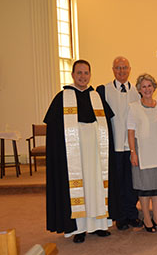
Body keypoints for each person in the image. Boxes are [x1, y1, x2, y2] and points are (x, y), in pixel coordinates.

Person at [45, 60, 113, 243]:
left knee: (96, 185)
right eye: (79, 73)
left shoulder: (97, 97)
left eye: (86, 73)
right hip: (74, 155)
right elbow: (54, 130)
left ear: (90, 75)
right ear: (73, 75)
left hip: (96, 154)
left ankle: (99, 225)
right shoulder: (62, 97)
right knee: (80, 187)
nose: (83, 76)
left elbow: (108, 126)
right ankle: (79, 228)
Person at [96, 56, 142, 230]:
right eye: (118, 68)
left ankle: (132, 214)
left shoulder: (137, 92)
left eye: (124, 67)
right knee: (118, 182)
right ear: (113, 70)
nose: (121, 71)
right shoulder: (103, 91)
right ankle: (120, 216)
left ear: (130, 69)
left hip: (132, 146)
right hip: (113, 146)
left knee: (132, 182)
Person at [127, 74, 157, 233]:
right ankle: (147, 218)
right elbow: (130, 131)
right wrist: (133, 152)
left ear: (154, 87)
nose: (147, 89)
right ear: (139, 89)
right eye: (143, 86)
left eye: (149, 86)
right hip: (142, 151)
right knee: (145, 187)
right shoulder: (133, 107)